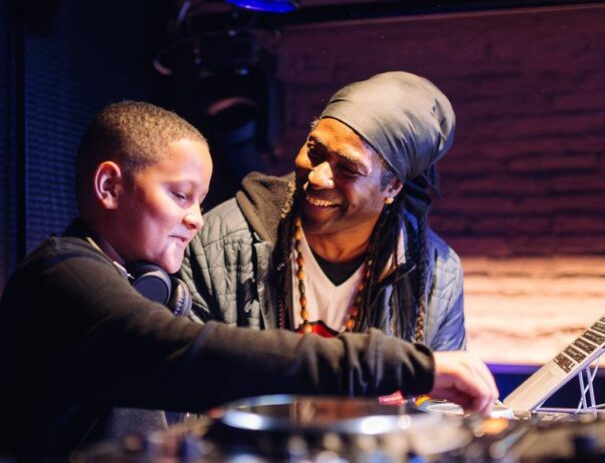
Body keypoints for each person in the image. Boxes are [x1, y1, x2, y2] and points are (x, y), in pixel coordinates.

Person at [0, 101, 496, 460]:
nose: (196, 220)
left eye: (200, 201)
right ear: (109, 186)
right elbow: (190, 355)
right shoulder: (62, 278)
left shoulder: (146, 286)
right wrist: (399, 364)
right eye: (181, 196)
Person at [180, 71, 464, 349]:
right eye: (314, 151)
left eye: (348, 168)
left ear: (392, 187)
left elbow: (442, 381)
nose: (317, 177)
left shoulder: (436, 276)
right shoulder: (219, 244)